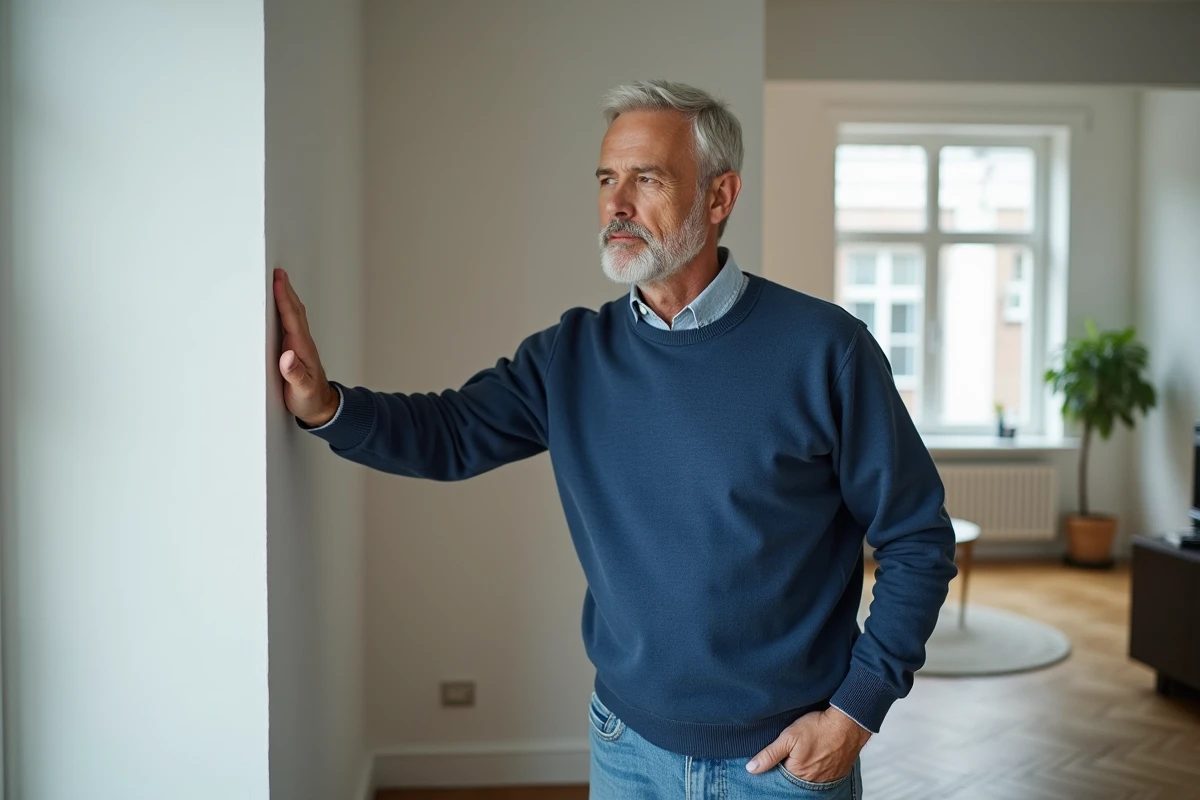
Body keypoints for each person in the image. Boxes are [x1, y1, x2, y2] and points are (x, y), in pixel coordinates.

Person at [273, 79, 957, 799]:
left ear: (719, 198)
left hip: (787, 761)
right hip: (625, 749)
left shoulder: (827, 350)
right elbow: (449, 432)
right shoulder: (571, 355)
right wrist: (325, 405)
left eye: (647, 179)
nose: (616, 205)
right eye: (606, 179)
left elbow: (917, 538)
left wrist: (856, 712)